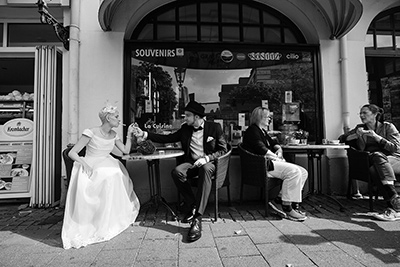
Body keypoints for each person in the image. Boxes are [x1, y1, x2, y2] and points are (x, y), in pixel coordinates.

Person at [133, 101, 227, 242]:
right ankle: (192, 203)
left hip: (209, 164)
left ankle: (197, 218)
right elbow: (167, 138)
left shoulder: (215, 127)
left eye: (187, 116)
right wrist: (145, 134)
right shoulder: (185, 129)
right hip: (192, 163)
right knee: (177, 172)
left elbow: (223, 149)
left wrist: (207, 158)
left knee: (206, 169)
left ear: (196, 117)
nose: (185, 118)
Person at [62, 104, 140, 249]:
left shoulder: (113, 135)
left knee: (115, 173)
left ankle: (110, 217)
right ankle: (95, 220)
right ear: (108, 118)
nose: (119, 119)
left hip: (107, 161)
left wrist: (129, 134)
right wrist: (83, 162)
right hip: (91, 162)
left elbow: (125, 151)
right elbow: (73, 152)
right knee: (106, 174)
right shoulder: (90, 132)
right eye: (116, 117)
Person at [242, 107, 308, 221]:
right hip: (262, 166)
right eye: (268, 117)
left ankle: (278, 200)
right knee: (294, 172)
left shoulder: (262, 131)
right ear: (259, 117)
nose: (270, 120)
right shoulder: (252, 130)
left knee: (303, 172)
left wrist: (279, 149)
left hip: (270, 162)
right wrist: (277, 158)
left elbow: (273, 143)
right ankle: (286, 207)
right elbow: (261, 148)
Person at [339, 104, 400, 221]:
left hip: (393, 159)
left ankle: (392, 205)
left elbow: (395, 148)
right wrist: (355, 135)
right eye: (360, 113)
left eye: (364, 113)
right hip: (372, 161)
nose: (361, 116)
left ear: (375, 114)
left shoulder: (388, 127)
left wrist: (377, 137)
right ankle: (394, 202)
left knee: (375, 164)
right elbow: (342, 138)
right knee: (374, 164)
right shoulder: (360, 128)